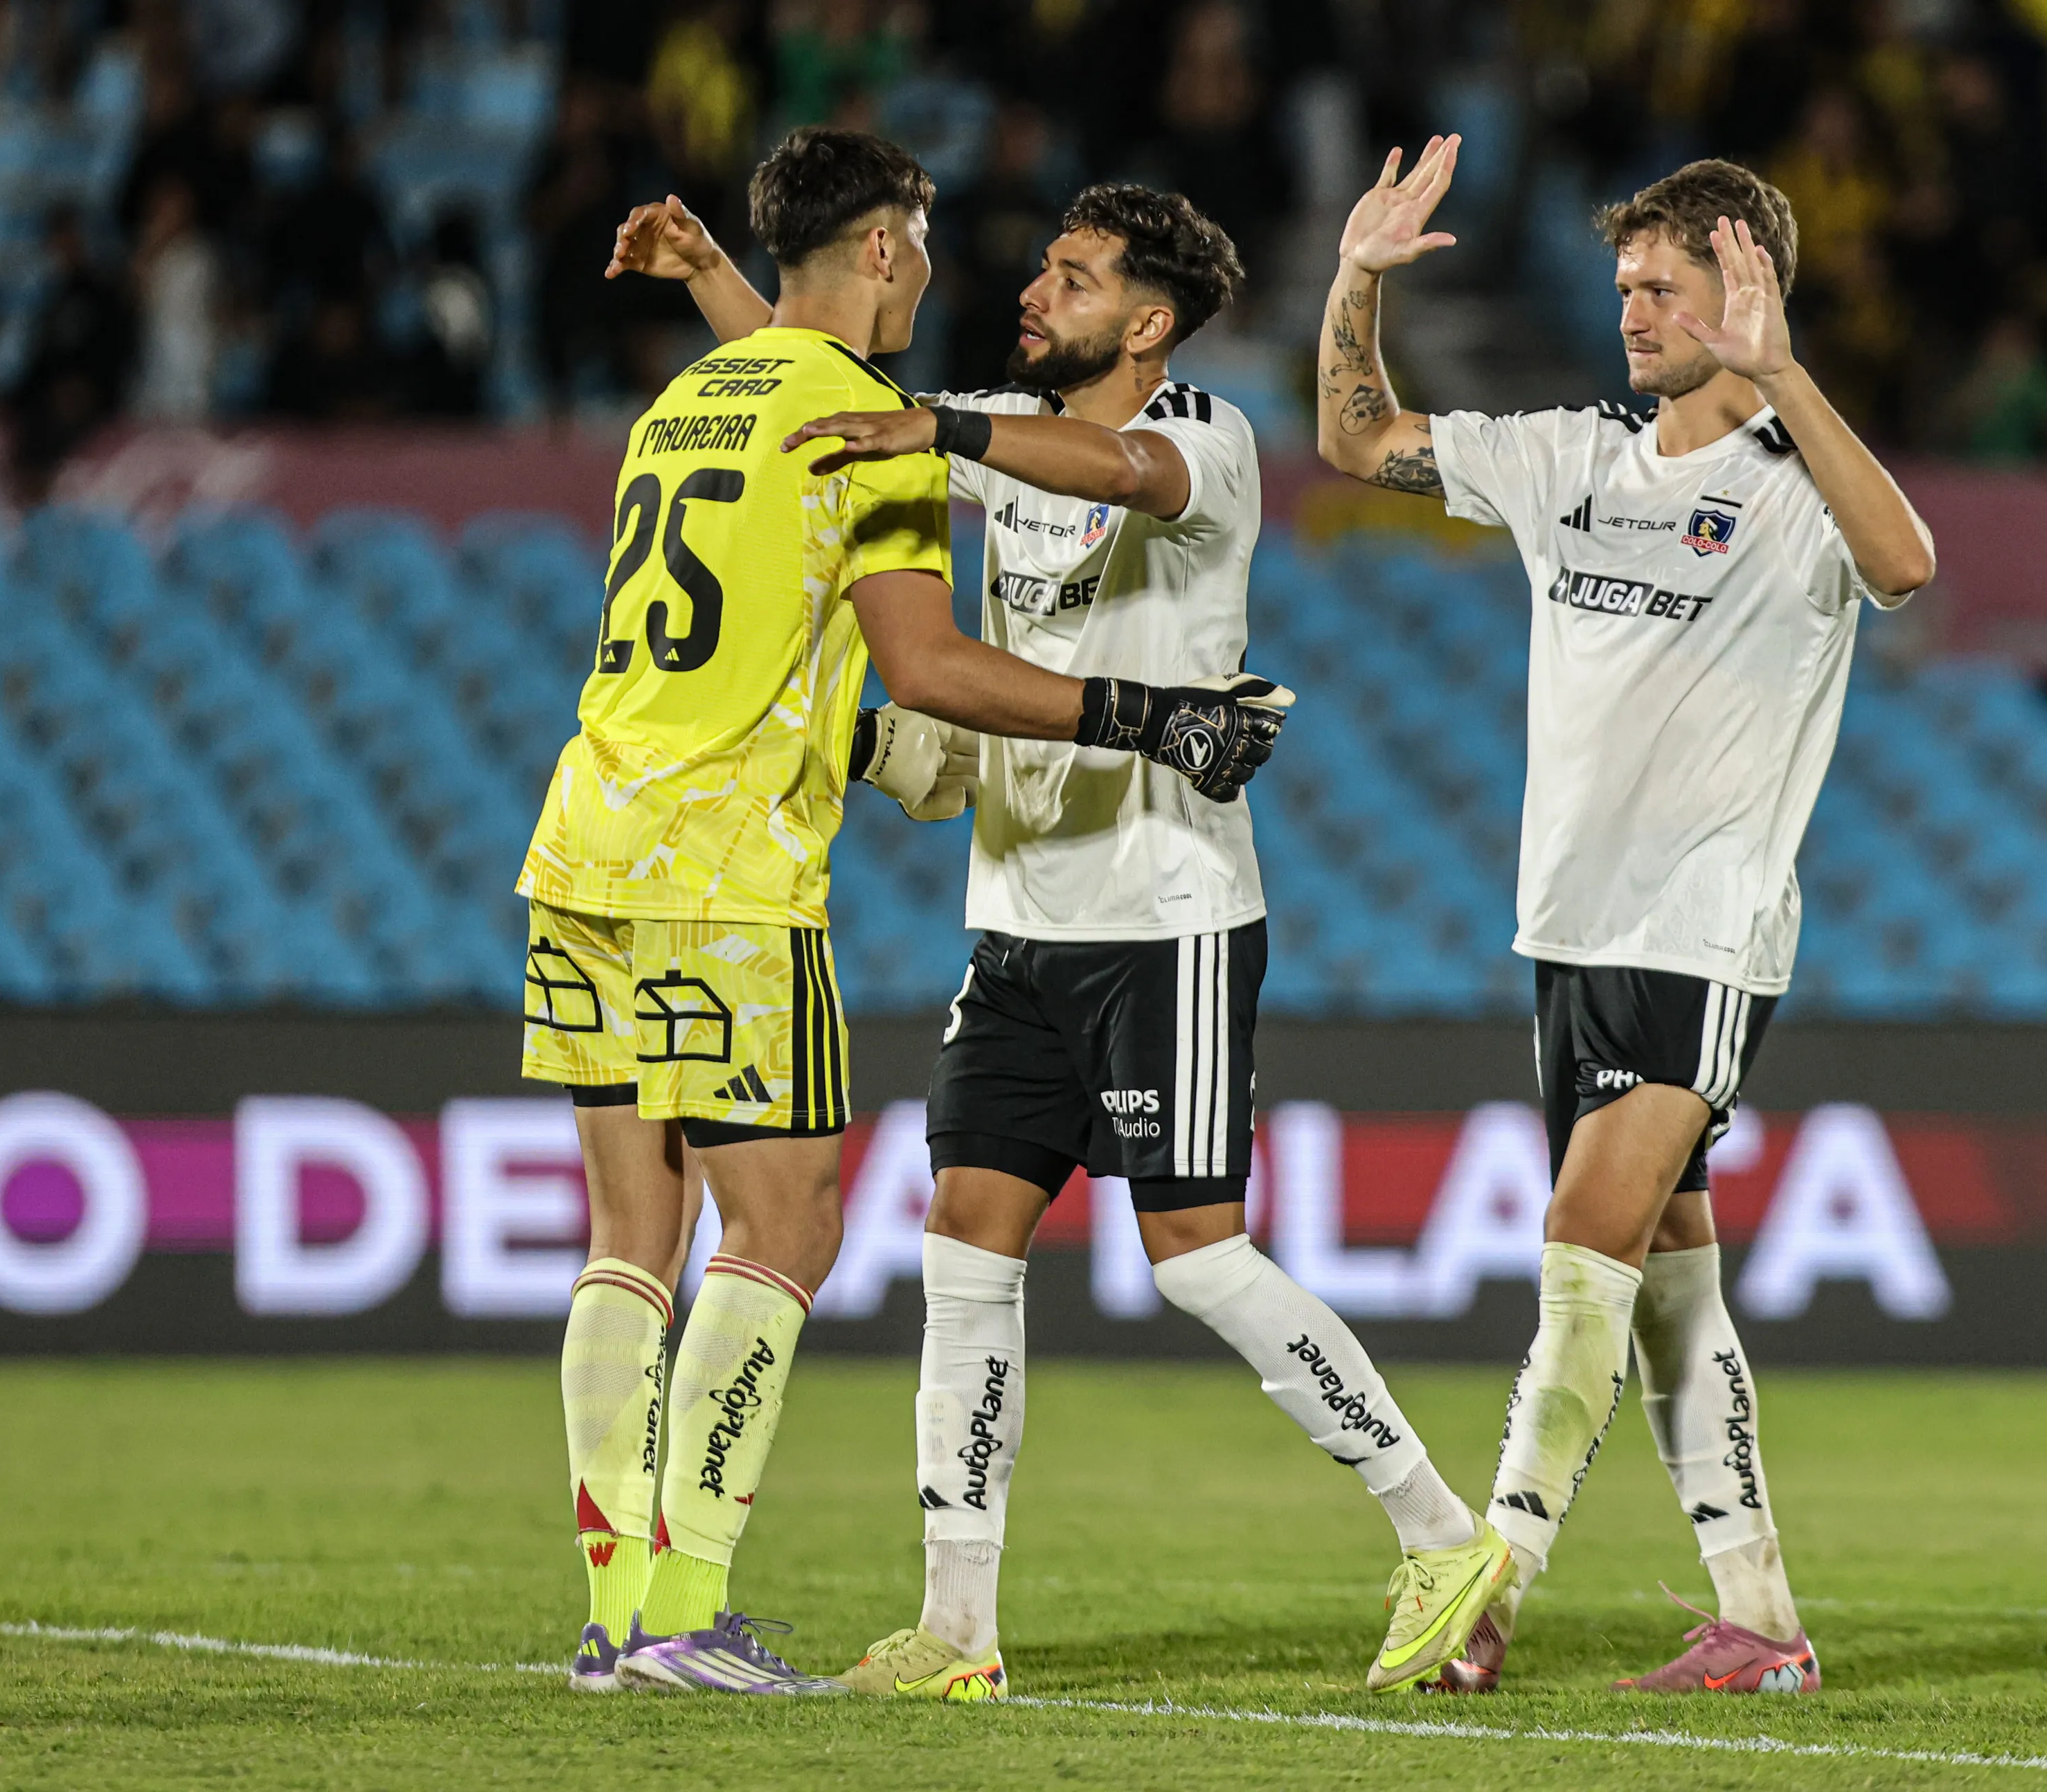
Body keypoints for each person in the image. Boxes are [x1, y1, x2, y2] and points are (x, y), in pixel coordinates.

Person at [608, 176, 1510, 1701]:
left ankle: (1437, 1532)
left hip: (1169, 917)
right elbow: (830, 399)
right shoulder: (995, 430)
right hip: (1015, 919)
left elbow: (1120, 468)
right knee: (962, 1245)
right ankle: (958, 1626)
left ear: (1146, 323)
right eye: (1041, 267)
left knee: (1194, 1258)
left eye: (1073, 280)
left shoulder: (1205, 440)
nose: (1033, 290)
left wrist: (943, 430)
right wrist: (714, 282)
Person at [526, 126, 1291, 1698]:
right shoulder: (877, 433)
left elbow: (783, 384)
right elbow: (933, 668)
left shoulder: (681, 401)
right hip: (729, 869)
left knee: (630, 1233)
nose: (940, 272)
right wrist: (1147, 715)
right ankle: (684, 1608)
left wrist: (711, 286)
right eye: (928, 243)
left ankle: (617, 1613)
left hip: (583, 842)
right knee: (789, 1222)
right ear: (884, 249)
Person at [1314, 139, 1937, 1695]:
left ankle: (1488, 1577)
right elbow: (1356, 439)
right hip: (1568, 927)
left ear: (1743, 288)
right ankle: (1762, 1620)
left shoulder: (1798, 483)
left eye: (1661, 286)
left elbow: (1908, 566)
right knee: (1669, 1284)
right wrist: (1355, 282)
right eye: (1623, 287)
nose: (1632, 311)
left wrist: (1784, 376)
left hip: (1701, 925)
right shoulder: (1569, 452)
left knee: (1583, 1238)